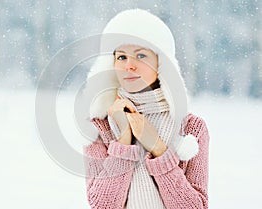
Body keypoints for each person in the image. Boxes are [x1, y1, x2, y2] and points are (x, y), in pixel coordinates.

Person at [83, 9, 209, 209]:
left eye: (140, 55)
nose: (129, 66)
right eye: (122, 57)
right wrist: (124, 140)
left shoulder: (192, 128)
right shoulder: (99, 128)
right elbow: (102, 205)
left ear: (161, 63)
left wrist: (158, 148)